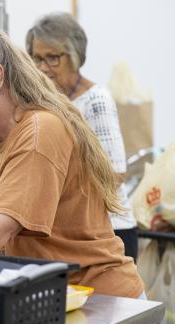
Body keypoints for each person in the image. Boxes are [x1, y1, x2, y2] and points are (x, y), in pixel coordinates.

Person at [0, 30, 144, 299]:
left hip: (100, 299)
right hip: (64, 295)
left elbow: (4, 226)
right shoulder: (11, 135)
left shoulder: (38, 131)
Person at [25, 12, 139, 262]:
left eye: (52, 58)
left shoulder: (95, 100)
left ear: (75, 57)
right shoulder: (47, 102)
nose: (43, 68)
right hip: (72, 234)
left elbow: (115, 174)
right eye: (36, 58)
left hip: (109, 232)